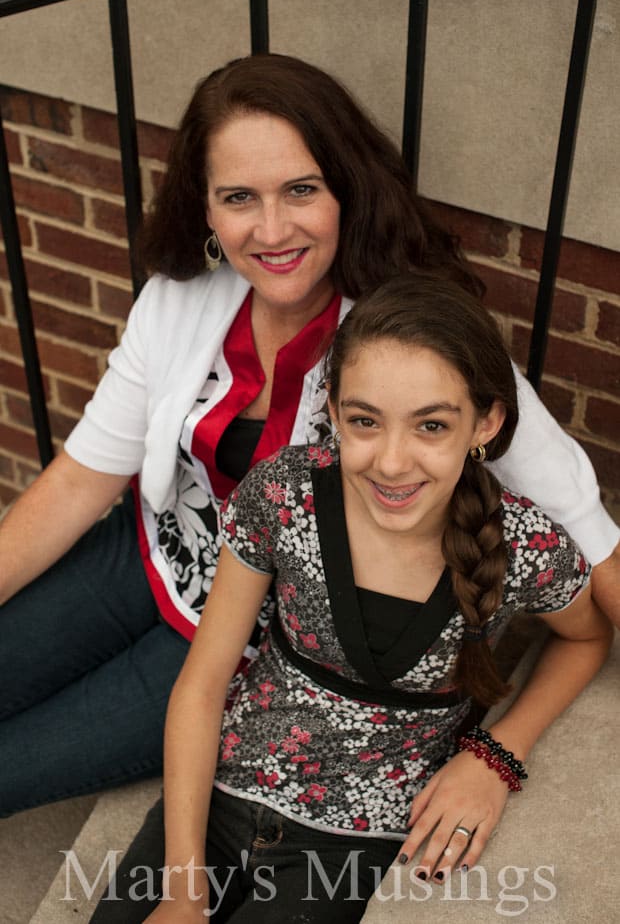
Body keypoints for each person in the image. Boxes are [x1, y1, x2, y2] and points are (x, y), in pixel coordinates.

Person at [0, 53, 617, 819]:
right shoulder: (182, 299)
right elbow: (77, 480)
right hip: (146, 556)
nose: (271, 229)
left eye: (301, 189)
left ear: (345, 190)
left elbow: (590, 538)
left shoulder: (413, 343)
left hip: (253, 638)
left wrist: (501, 749)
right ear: (207, 211)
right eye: (238, 198)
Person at [103, 274, 612, 923]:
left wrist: (496, 754)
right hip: (223, 792)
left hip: (351, 838)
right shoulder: (282, 498)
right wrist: (182, 886)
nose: (393, 462)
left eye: (431, 425)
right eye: (365, 421)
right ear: (334, 412)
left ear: (485, 422)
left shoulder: (524, 546)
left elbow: (587, 637)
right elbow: (202, 684)